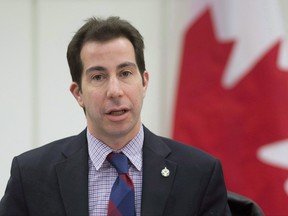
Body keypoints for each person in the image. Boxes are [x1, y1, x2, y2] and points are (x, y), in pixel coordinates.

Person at [0, 16, 231, 216]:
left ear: (144, 82)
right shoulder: (31, 176)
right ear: (78, 93)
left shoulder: (198, 174)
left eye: (125, 73)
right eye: (98, 77)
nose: (115, 91)